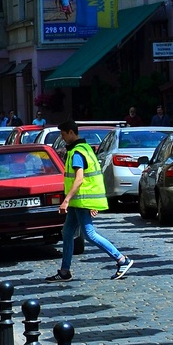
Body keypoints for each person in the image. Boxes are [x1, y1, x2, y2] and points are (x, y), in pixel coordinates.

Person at [49, 118, 134, 283]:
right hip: (79, 201)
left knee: (89, 234)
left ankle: (122, 260)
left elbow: (79, 179)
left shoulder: (77, 153)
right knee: (67, 233)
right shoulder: (85, 148)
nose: (62, 137)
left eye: (63, 134)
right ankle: (65, 271)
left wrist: (66, 200)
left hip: (80, 200)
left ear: (71, 133)